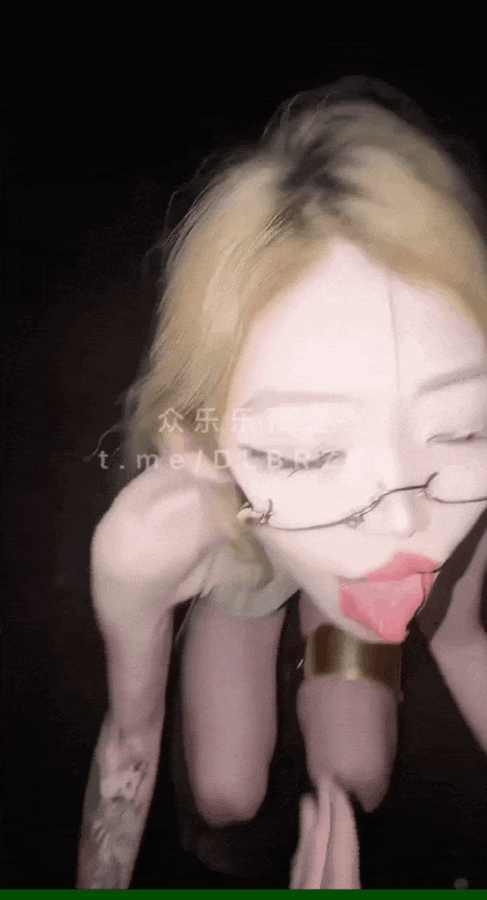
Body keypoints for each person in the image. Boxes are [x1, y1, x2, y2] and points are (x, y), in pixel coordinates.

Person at [75, 75, 487, 889]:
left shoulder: (456, 493)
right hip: (240, 565)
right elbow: (129, 736)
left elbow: (461, 637)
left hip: (356, 593)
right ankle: (253, 614)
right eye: (303, 453)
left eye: (462, 425)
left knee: (354, 778)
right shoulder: (149, 541)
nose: (404, 521)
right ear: (199, 447)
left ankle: (328, 619)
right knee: (225, 795)